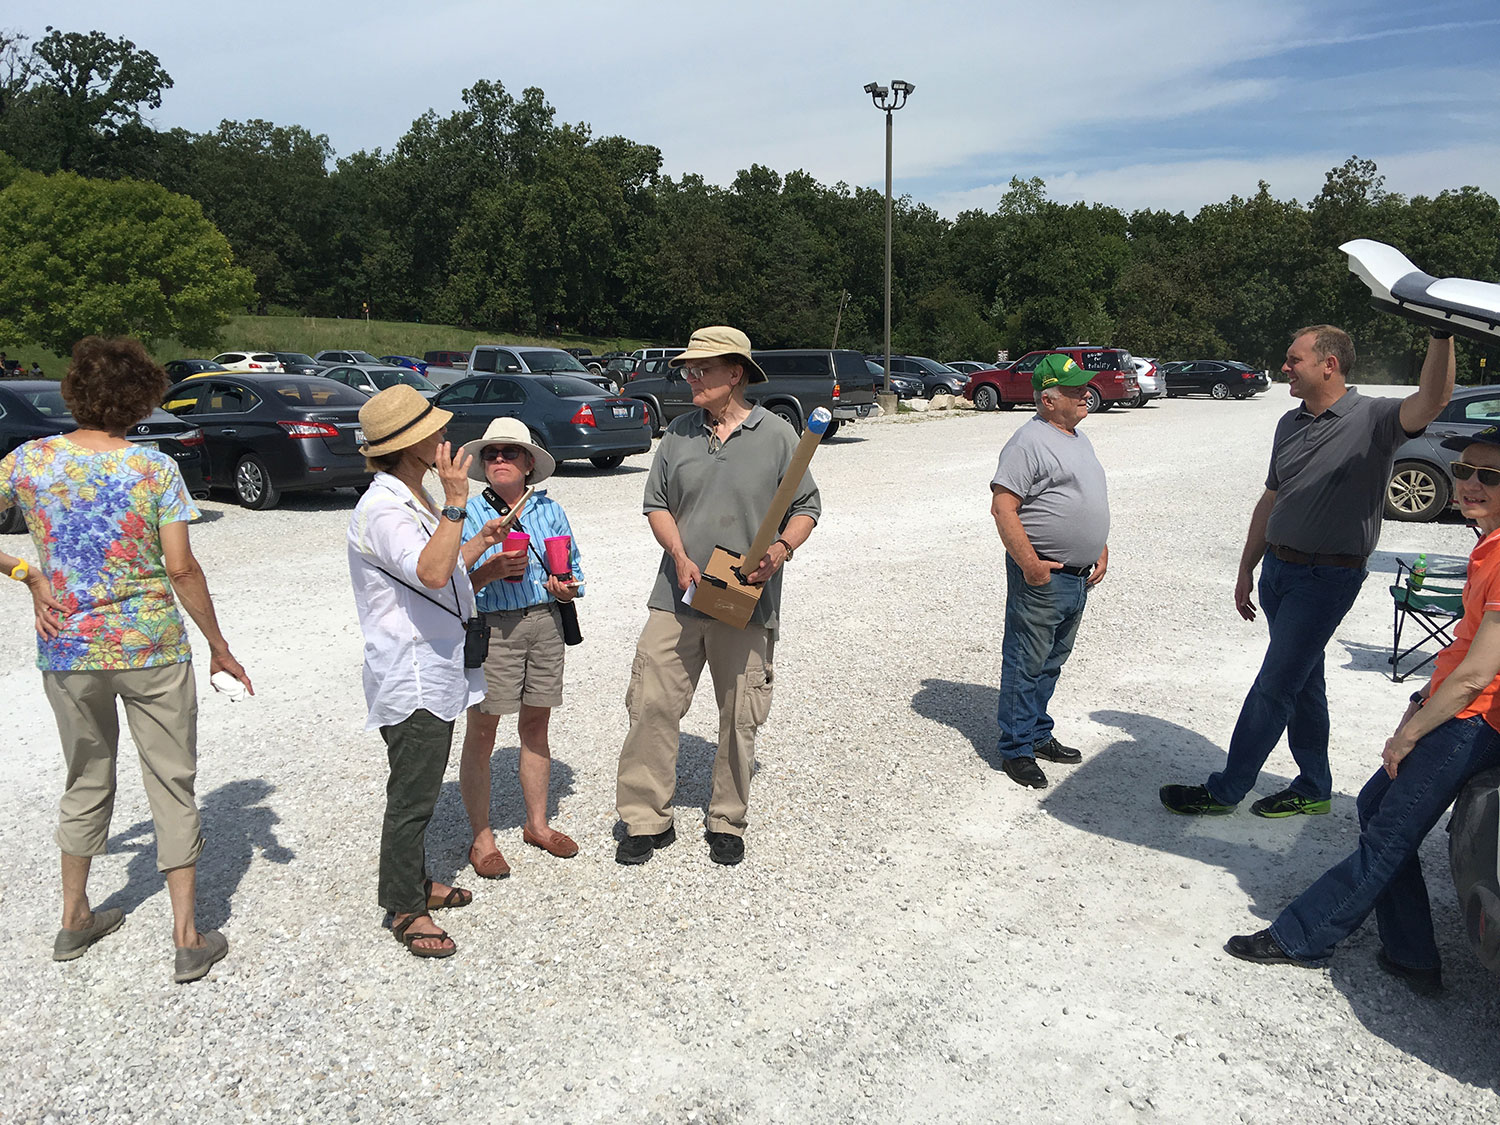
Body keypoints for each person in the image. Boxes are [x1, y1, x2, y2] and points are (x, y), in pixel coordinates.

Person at [0, 336, 251, 983]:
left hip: (69, 649)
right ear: (141, 399)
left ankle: (74, 916)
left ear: (72, 391)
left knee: (85, 777)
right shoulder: (153, 470)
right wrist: (220, 646)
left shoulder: (29, 461)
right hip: (150, 647)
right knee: (171, 779)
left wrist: (28, 573)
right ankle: (187, 936)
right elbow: (180, 566)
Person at [1225, 425, 1500, 994]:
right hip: (1457, 711)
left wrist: (1410, 734)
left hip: (1476, 722)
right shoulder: (1488, 542)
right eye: (1466, 471)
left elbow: (1477, 674)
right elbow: (1461, 658)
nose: (1470, 483)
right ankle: (1410, 952)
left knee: (1390, 830)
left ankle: (1303, 934)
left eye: (1489, 476)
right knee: (1376, 803)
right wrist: (1420, 703)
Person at [1161, 327, 1455, 817]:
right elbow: (1272, 498)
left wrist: (1439, 334)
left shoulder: (1376, 417)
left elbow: (1433, 398)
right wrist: (1246, 567)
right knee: (1303, 681)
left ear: (1329, 365)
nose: (1284, 368)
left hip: (1326, 580)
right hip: (1278, 573)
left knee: (1275, 685)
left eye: (1293, 359)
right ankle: (1315, 785)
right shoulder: (1289, 423)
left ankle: (1225, 790)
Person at [614, 326, 820, 867]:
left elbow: (806, 508)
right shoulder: (677, 434)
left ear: (736, 374)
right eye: (689, 369)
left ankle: (726, 818)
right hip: (676, 595)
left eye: (702, 369)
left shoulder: (778, 436)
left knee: (739, 712)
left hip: (746, 601)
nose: (691, 377)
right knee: (652, 701)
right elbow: (656, 503)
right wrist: (679, 556)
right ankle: (645, 819)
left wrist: (780, 551)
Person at [346, 385, 509, 959]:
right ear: (410, 444)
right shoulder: (385, 508)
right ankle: (404, 908)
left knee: (419, 787)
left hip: (432, 667)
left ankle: (412, 884)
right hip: (411, 672)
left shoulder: (407, 499)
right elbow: (434, 573)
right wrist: (458, 502)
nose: (445, 438)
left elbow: (433, 571)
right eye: (435, 431)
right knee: (412, 796)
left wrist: (481, 556)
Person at [457, 418, 585, 877]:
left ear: (529, 463)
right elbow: (444, 584)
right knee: (483, 733)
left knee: (536, 725)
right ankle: (482, 837)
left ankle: (536, 824)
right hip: (493, 627)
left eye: (510, 453)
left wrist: (566, 588)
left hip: (544, 623)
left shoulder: (549, 509)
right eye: (491, 453)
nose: (499, 460)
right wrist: (488, 571)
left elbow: (572, 569)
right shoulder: (469, 513)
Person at [989, 353, 1110, 789]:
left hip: (1078, 575)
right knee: (1027, 660)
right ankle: (1017, 747)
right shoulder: (1028, 441)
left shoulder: (1076, 437)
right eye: (1075, 390)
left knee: (1052, 661)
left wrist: (1100, 545)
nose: (1085, 396)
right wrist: (1031, 565)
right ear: (1047, 398)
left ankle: (1038, 733)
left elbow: (1084, 496)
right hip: (1044, 576)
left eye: (1083, 388)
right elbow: (1003, 507)